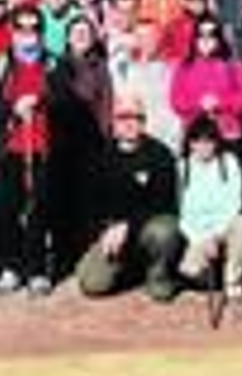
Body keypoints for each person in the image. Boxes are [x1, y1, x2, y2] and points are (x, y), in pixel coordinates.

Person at [75, 92, 182, 300]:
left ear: (144, 122)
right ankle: (129, 271)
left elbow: (165, 205)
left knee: (165, 230)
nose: (130, 123)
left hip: (146, 229)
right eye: (123, 117)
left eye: (137, 117)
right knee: (92, 284)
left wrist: (128, 226)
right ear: (113, 122)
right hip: (111, 233)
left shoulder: (160, 154)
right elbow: (88, 206)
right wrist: (103, 232)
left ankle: (157, 274)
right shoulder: (100, 156)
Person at [0, 5, 55, 295]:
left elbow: (63, 98)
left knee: (38, 208)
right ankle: (11, 266)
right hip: (9, 147)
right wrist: (12, 108)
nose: (28, 35)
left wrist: (40, 100)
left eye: (33, 28)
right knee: (7, 208)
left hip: (42, 146)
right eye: (21, 28)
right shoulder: (0, 64)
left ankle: (36, 269)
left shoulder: (52, 63)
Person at [48, 13, 114, 275]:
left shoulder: (100, 66)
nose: (81, 37)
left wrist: (106, 134)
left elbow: (106, 102)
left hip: (92, 142)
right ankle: (64, 258)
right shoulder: (57, 65)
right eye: (76, 32)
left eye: (86, 33)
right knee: (62, 201)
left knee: (89, 203)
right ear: (67, 37)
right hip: (62, 142)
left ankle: (86, 257)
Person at [177, 115, 242, 302]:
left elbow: (234, 203)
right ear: (190, 143)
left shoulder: (229, 163)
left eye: (209, 141)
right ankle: (209, 280)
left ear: (216, 142)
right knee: (190, 271)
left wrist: (216, 235)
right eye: (197, 141)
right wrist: (201, 239)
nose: (203, 146)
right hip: (196, 234)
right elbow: (180, 212)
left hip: (224, 227)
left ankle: (232, 281)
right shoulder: (181, 168)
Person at [170, 16, 242, 146]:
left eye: (212, 35)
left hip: (227, 132)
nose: (206, 39)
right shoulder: (184, 66)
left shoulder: (232, 65)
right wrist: (199, 104)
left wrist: (220, 103)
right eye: (201, 35)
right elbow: (176, 99)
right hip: (196, 134)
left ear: (219, 39)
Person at [110, 19, 180, 152]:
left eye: (151, 36)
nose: (146, 41)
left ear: (159, 39)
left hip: (168, 138)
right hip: (137, 139)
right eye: (140, 37)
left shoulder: (170, 69)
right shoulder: (124, 69)